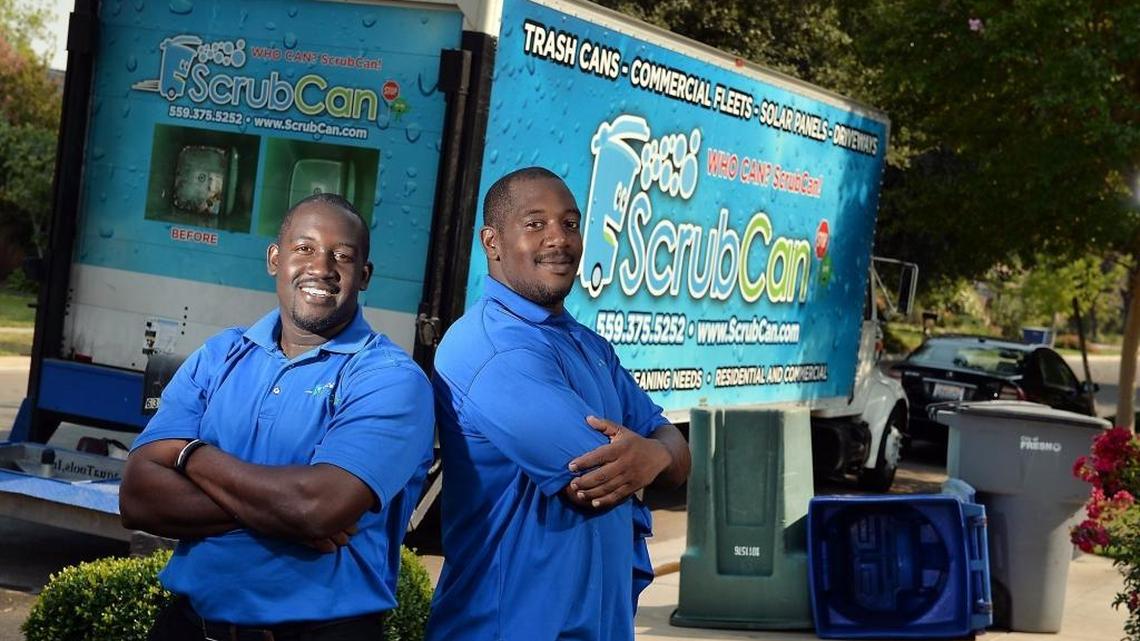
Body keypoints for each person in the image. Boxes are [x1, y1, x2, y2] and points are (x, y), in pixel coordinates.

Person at [120, 193, 434, 641]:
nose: (321, 268)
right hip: (190, 627)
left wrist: (192, 455)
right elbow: (137, 498)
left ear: (363, 276)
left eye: (341, 256)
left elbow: (315, 509)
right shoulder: (220, 356)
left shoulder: (389, 378)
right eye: (304, 248)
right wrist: (281, 511)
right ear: (274, 258)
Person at [426, 167, 691, 641]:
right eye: (535, 224)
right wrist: (653, 454)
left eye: (569, 223)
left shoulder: (588, 345)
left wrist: (657, 454)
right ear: (492, 242)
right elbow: (595, 481)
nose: (559, 239)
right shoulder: (489, 349)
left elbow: (675, 454)